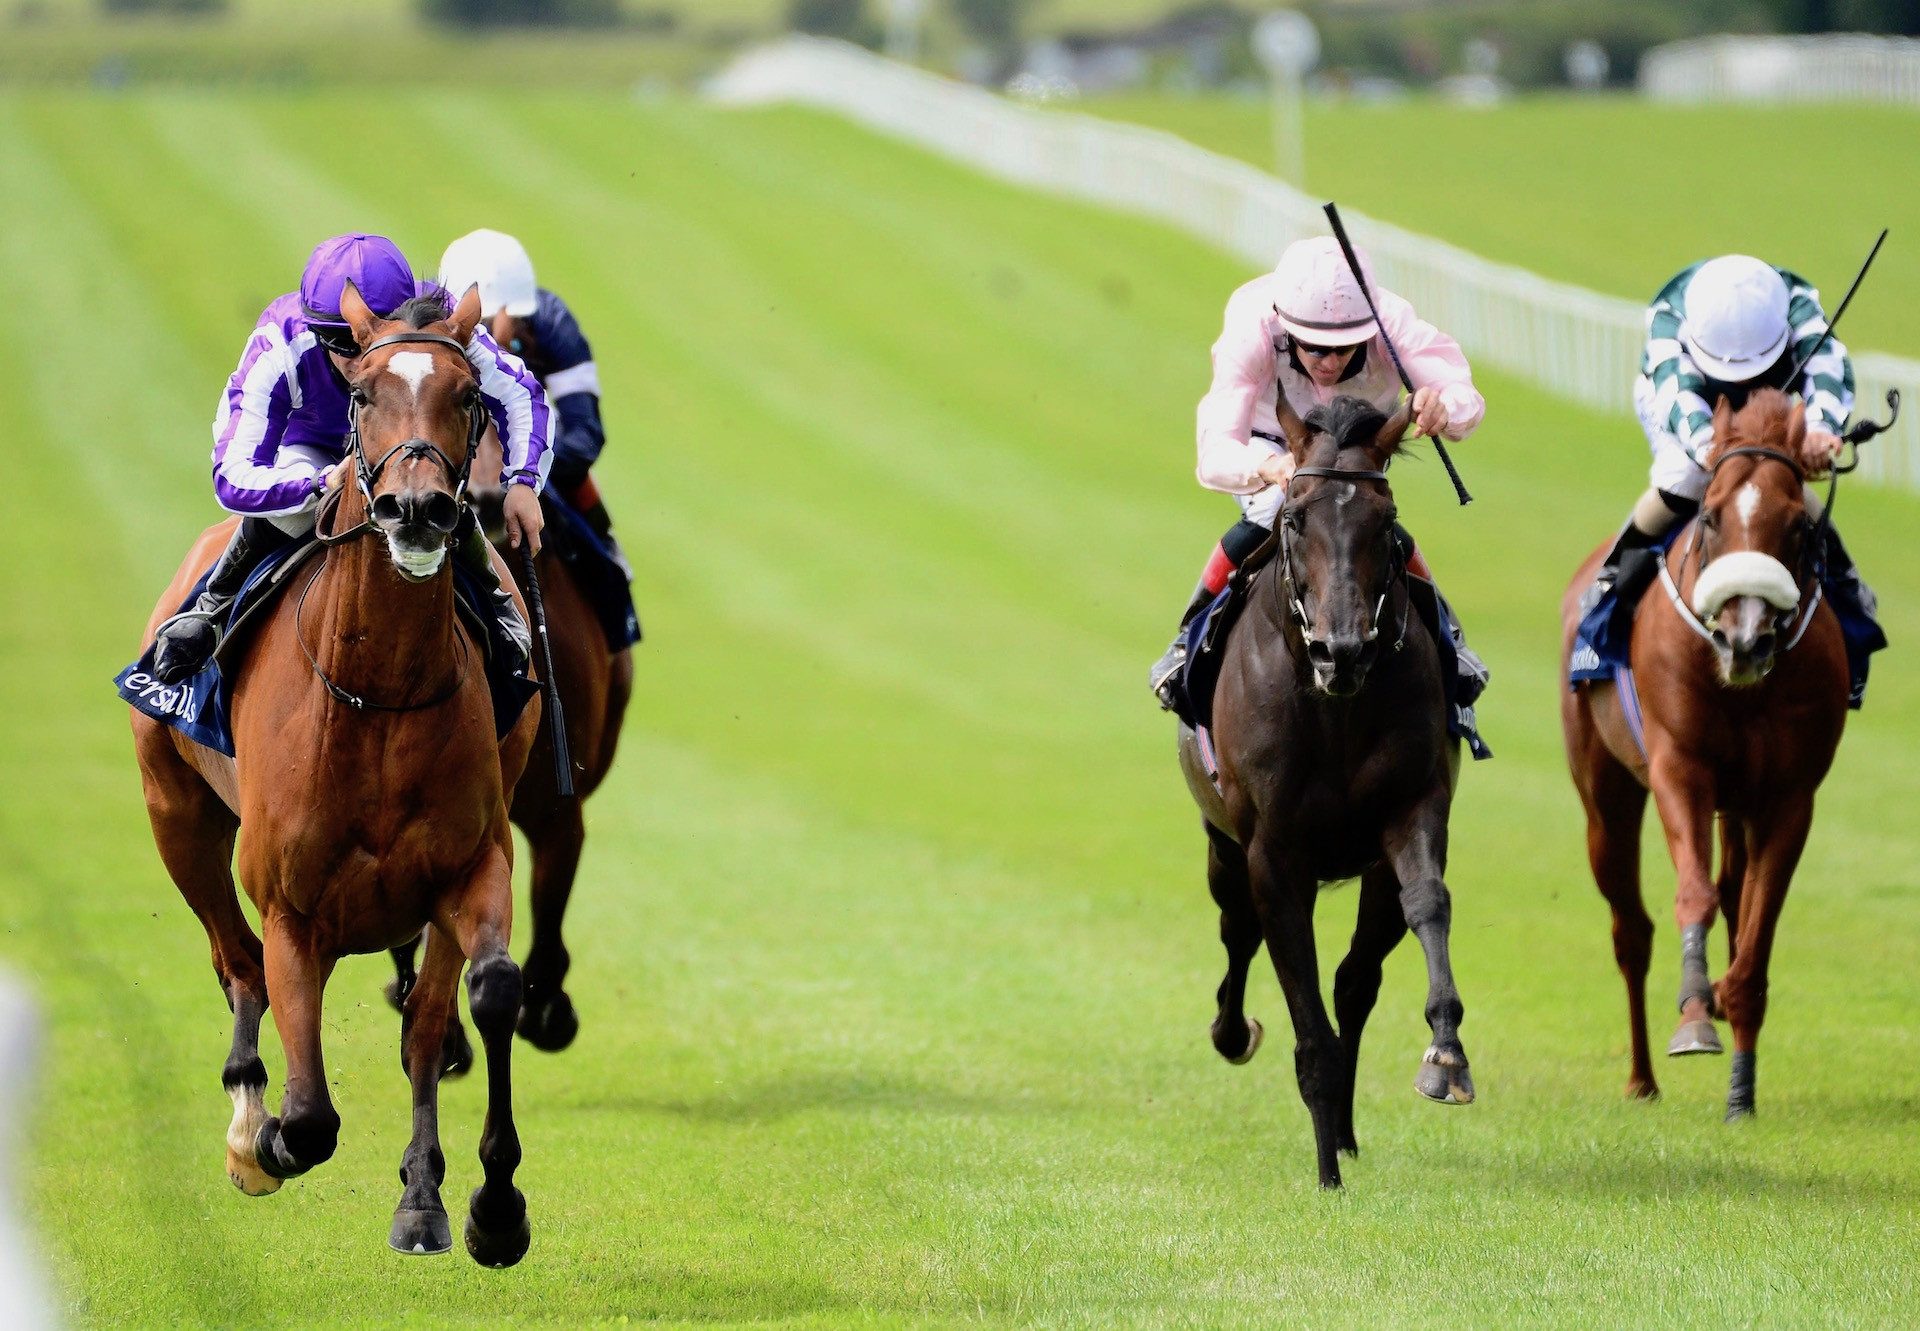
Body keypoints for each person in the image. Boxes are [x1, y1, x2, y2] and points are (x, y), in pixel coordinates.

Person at [150, 233, 552, 684]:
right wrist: (320, 484)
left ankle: (497, 607)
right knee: (292, 508)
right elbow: (233, 474)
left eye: (373, 334)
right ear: (315, 330)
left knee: (439, 488)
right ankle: (212, 607)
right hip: (315, 451)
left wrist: (522, 482)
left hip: (405, 445)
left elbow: (522, 395)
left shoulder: (437, 327)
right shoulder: (281, 344)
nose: (360, 355)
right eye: (342, 343)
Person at [1150, 234, 1489, 708]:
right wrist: (1268, 466)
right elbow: (1214, 451)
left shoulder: (1391, 322)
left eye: (1345, 349)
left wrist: (1443, 410)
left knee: (1366, 516)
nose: (1328, 362)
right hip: (1272, 442)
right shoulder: (1253, 325)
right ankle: (1189, 636)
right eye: (1313, 348)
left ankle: (1449, 639)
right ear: (1287, 329)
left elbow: (1462, 392)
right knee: (1274, 506)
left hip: (1355, 449)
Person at [1583, 253, 1884, 701]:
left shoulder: (1796, 305)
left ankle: (1849, 596)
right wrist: (1711, 448)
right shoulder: (1670, 321)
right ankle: (1609, 584)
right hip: (1688, 404)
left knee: (1786, 493)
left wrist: (1821, 431)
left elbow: (1827, 371)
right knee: (1686, 475)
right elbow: (1678, 397)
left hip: (1776, 401)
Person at [438, 228, 621, 549]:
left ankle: (613, 572)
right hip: (456, 458)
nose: (480, 338)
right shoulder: (434, 332)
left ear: (514, 312)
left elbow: (585, 434)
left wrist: (526, 473)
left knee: (605, 559)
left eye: (487, 322)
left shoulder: (554, 327)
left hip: (540, 459)